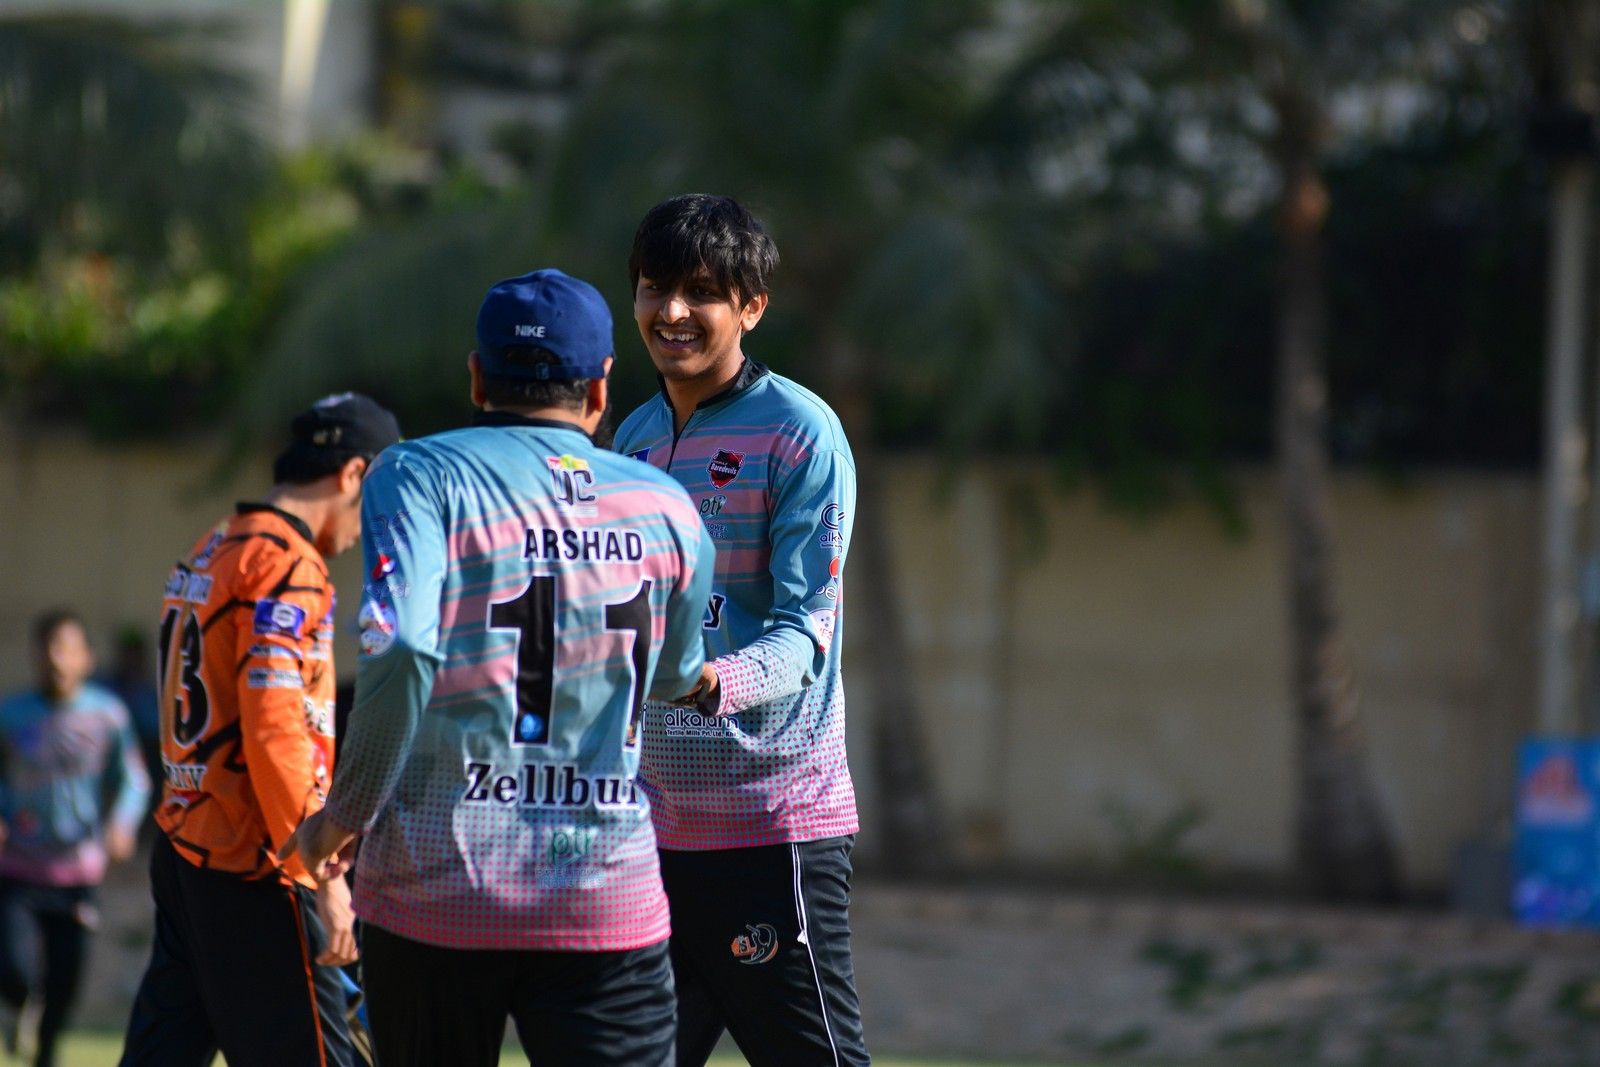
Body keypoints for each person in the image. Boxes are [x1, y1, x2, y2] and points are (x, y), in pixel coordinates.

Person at [283, 268, 715, 1067]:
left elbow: (402, 646)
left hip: (432, 888)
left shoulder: (416, 473)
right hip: (603, 893)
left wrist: (345, 813)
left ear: (477, 377)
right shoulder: (668, 505)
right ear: (600, 388)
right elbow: (674, 673)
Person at [614, 193, 870, 1066]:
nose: (672, 312)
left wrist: (713, 681)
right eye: (655, 288)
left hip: (772, 827)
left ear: (751, 306)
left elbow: (807, 631)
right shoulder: (632, 438)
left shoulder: (802, 432)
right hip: (651, 831)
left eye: (701, 292)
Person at [119, 393, 401, 1067]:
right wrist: (319, 871)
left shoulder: (215, 545)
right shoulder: (286, 566)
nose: (377, 522)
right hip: (257, 862)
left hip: (186, 846)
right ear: (353, 474)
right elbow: (276, 727)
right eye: (379, 495)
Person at [0, 611, 149, 1067]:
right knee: (17, 967)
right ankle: (15, 1004)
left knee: (65, 981)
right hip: (18, 868)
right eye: (47, 648)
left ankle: (45, 1052)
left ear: (86, 658)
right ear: (34, 655)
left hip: (79, 873)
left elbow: (134, 780)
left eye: (66, 648)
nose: (56, 659)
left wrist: (122, 823)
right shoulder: (11, 714)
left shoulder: (107, 715)